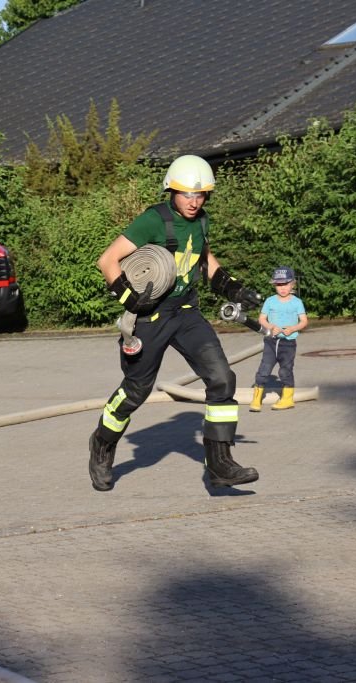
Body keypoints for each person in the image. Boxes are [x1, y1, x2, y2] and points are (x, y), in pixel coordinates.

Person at [89, 154, 262, 491]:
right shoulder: (153, 220)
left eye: (200, 196)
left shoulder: (201, 222)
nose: (194, 202)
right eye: (186, 195)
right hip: (150, 316)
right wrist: (129, 298)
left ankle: (220, 464)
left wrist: (233, 288)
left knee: (222, 378)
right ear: (172, 191)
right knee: (135, 391)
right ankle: (102, 443)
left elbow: (204, 261)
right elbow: (107, 260)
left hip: (186, 313)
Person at [249, 266, 308, 412]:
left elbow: (304, 321)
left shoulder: (296, 302)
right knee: (264, 370)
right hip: (271, 342)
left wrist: (293, 328)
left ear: (292, 284)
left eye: (285, 284)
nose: (282, 288)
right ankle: (257, 399)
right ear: (274, 285)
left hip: (288, 344)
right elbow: (261, 319)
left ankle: (287, 398)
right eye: (279, 285)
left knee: (285, 371)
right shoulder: (270, 301)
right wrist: (270, 326)